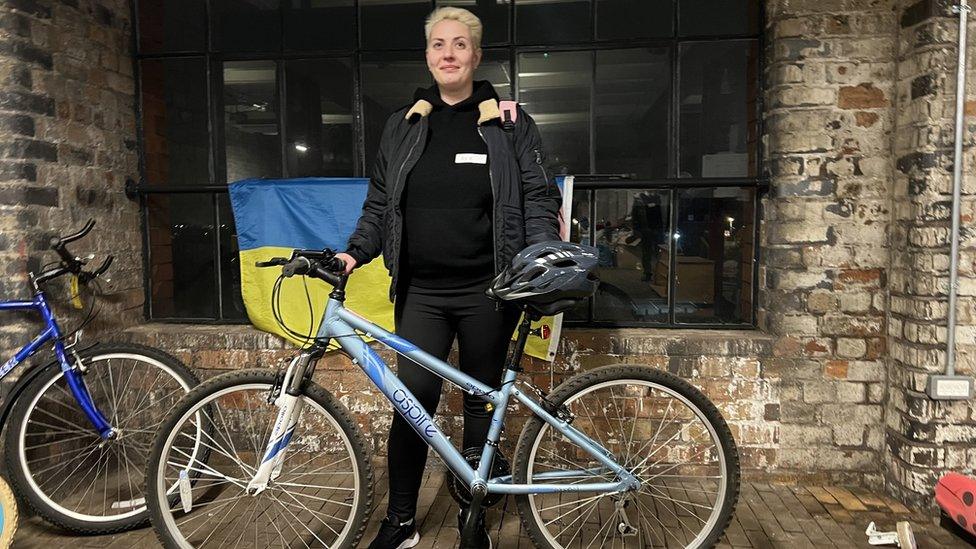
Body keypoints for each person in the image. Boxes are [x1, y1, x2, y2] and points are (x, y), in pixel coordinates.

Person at [333, 7, 561, 549]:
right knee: (412, 407)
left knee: (481, 407)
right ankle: (402, 522)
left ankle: (473, 519)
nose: (449, 53)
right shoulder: (404, 123)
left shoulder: (508, 123)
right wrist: (353, 254)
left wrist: (535, 262)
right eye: (439, 44)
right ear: (429, 55)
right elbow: (380, 203)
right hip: (421, 293)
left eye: (460, 44)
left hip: (488, 290)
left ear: (476, 56)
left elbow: (536, 196)